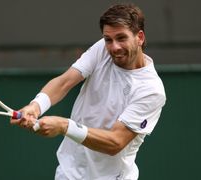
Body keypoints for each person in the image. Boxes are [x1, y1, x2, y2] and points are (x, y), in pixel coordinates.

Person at [11, 3, 166, 180]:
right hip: (69, 173)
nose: (114, 47)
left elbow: (115, 142)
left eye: (121, 38)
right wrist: (36, 106)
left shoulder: (151, 90)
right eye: (108, 39)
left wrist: (64, 126)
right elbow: (64, 82)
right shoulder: (102, 49)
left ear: (139, 37)